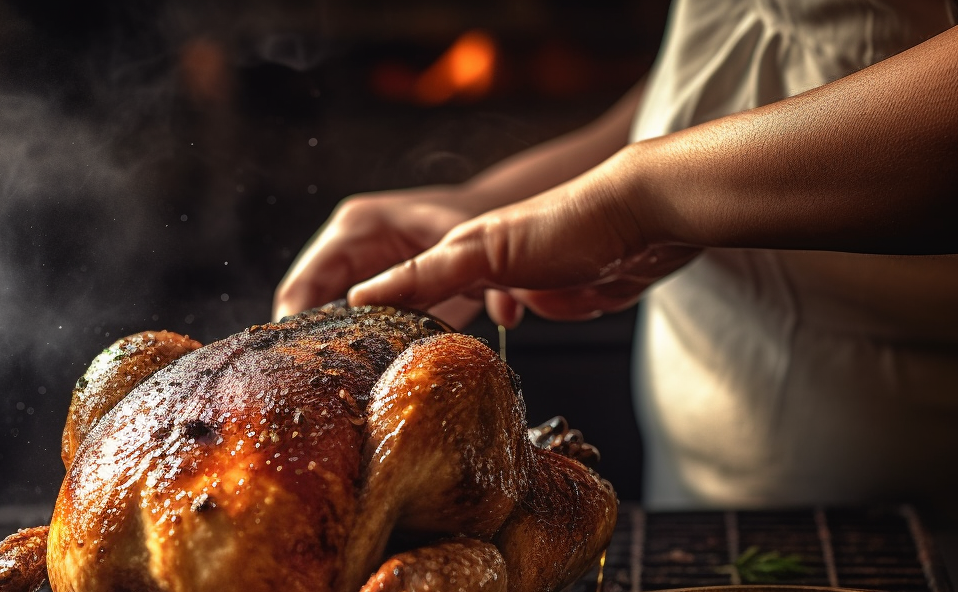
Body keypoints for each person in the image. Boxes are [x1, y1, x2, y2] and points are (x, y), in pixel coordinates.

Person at [274, 2, 958, 512]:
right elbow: (741, 47)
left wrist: (637, 201)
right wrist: (492, 204)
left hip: (914, 497)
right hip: (696, 485)